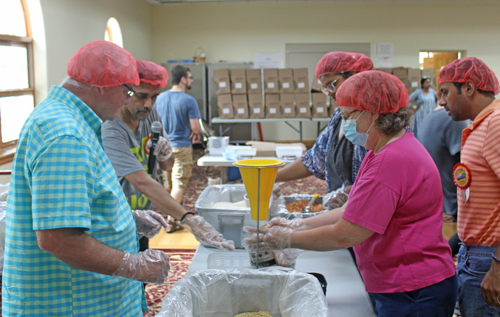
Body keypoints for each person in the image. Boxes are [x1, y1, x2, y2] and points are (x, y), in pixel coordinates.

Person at [247, 70, 458, 317]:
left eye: (348, 116)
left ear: (373, 112)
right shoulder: (380, 149)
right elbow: (351, 210)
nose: (345, 124)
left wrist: (286, 239)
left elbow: (346, 234)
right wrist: (297, 225)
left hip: (413, 288)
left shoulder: (391, 159)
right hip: (400, 281)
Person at [2, 41, 171, 316]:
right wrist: (135, 264)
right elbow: (58, 238)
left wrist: (125, 219)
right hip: (72, 303)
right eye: (127, 91)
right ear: (103, 85)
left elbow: (74, 205)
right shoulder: (66, 135)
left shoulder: (68, 120)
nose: (127, 101)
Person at [101, 60, 234, 251]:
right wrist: (190, 220)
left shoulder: (150, 114)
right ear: (125, 91)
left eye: (154, 97)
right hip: (116, 221)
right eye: (141, 96)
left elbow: (166, 166)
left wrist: (165, 154)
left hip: (142, 220)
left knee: (141, 278)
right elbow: (141, 181)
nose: (148, 104)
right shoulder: (111, 127)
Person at [438, 56, 500, 316]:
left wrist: (497, 265)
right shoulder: (481, 125)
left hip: (489, 257)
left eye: (445, 92)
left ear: (469, 88)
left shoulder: (495, 124)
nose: (440, 102)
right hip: (475, 254)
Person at [275, 52, 372, 210]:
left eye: (332, 84)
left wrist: (350, 194)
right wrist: (274, 177)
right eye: (326, 88)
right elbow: (315, 159)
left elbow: (379, 182)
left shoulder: (375, 122)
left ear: (354, 76)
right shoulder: (339, 117)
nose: (331, 92)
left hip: (364, 213)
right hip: (341, 213)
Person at [417, 105, 469, 257]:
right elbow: (466, 168)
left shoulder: (431, 117)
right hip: (452, 214)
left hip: (440, 209)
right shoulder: (453, 120)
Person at [155, 65, 201, 207]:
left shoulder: (159, 98)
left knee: (167, 182)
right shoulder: (189, 100)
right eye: (190, 77)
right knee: (179, 183)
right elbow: (195, 127)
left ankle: (167, 212)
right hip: (181, 146)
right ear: (183, 79)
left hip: (163, 146)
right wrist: (196, 133)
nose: (191, 81)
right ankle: (172, 218)